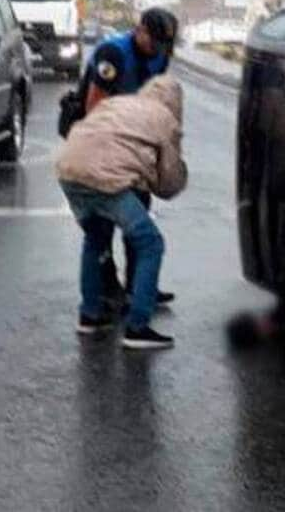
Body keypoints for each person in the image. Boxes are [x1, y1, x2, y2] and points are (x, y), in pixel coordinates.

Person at [56, 75, 188, 349]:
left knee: (96, 238)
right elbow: (169, 180)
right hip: (105, 178)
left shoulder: (118, 103)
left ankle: (90, 316)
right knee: (150, 243)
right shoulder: (165, 119)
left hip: (68, 168)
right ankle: (137, 326)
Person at [83, 8, 179, 308]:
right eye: (154, 44)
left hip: (136, 145)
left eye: (163, 46)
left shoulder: (160, 54)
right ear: (140, 31)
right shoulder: (113, 54)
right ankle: (101, 291)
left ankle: (139, 286)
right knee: (102, 224)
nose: (157, 52)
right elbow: (94, 109)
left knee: (138, 216)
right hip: (101, 141)